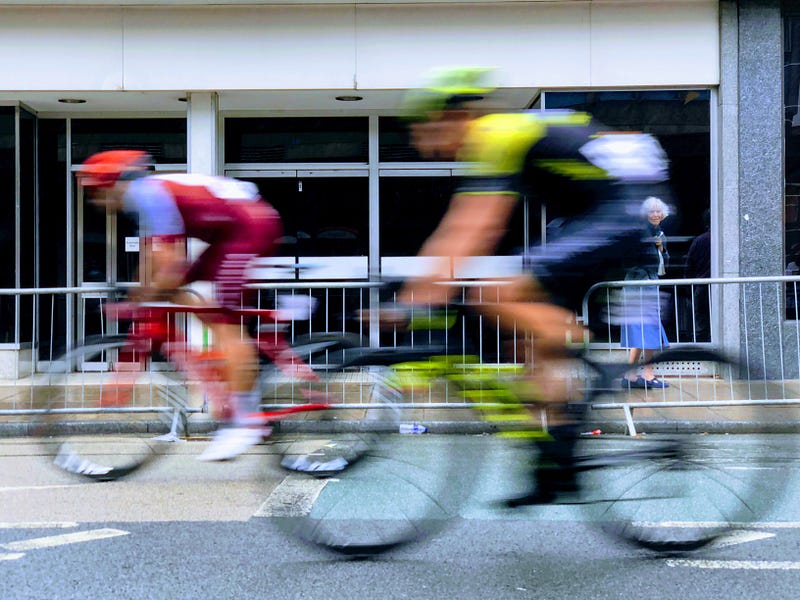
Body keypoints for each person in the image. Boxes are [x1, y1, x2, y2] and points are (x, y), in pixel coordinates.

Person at [394, 67, 671, 505]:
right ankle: (555, 465)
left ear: (451, 118)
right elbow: (460, 233)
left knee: (494, 295)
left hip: (617, 211)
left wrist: (415, 296)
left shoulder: (496, 136)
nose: (418, 142)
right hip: (590, 214)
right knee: (528, 348)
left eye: (421, 129)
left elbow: (470, 230)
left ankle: (572, 340)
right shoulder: (498, 140)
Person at [77, 151, 282, 461]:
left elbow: (169, 262)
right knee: (181, 292)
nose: (96, 202)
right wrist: (138, 297)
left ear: (112, 184)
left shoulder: (146, 194)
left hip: (248, 227)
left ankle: (243, 424)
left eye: (95, 193)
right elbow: (150, 258)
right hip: (228, 231)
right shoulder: (142, 200)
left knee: (225, 323)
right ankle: (235, 390)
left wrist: (149, 295)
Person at [620, 196, 672, 388]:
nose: (656, 214)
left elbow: (664, 263)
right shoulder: (640, 233)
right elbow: (632, 261)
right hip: (639, 285)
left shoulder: (659, 233)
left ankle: (630, 375)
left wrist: (661, 248)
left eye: (659, 211)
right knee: (649, 330)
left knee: (643, 331)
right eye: (652, 211)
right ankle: (648, 374)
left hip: (649, 284)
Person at [684, 209, 711, 341]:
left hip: (701, 286)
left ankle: (702, 348)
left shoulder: (699, 241)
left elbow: (689, 265)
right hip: (712, 286)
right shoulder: (722, 239)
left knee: (701, 321)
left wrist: (687, 288)